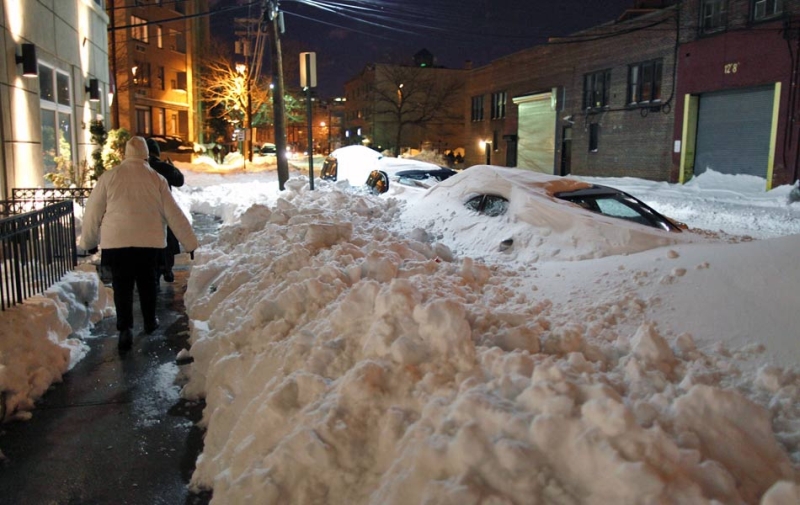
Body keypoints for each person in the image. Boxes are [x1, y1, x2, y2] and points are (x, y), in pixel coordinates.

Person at [80, 136, 198, 352]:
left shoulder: (109, 177)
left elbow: (93, 212)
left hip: (116, 243)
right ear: (146, 154)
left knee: (121, 286)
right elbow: (174, 214)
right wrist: (190, 243)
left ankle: (125, 329)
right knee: (147, 283)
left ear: (125, 153)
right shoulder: (157, 179)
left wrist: (88, 241)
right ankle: (150, 321)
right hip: (149, 243)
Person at [145, 137, 184, 283]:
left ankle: (154, 270)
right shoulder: (162, 167)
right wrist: (173, 168)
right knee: (168, 239)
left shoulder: (136, 168)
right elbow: (179, 180)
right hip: (163, 210)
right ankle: (167, 268)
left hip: (143, 212)